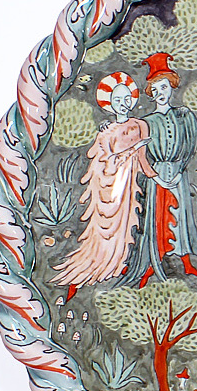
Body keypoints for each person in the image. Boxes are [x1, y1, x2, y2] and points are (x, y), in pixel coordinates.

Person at [50, 72, 155, 301]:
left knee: (128, 225)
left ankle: (122, 263)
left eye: (127, 98)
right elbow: (108, 164)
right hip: (112, 190)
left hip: (130, 186)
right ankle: (105, 265)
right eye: (117, 100)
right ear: (109, 104)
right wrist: (133, 149)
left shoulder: (140, 125)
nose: (123, 103)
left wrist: (154, 175)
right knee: (111, 229)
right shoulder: (105, 134)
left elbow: (143, 158)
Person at [123, 52, 197, 287]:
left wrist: (180, 170)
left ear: (172, 86)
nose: (160, 92)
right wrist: (157, 178)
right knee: (157, 220)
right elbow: (141, 155)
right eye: (155, 89)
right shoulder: (146, 122)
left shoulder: (184, 116)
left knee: (181, 219)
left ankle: (187, 263)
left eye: (164, 86)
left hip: (178, 174)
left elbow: (189, 146)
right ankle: (152, 265)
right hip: (157, 176)